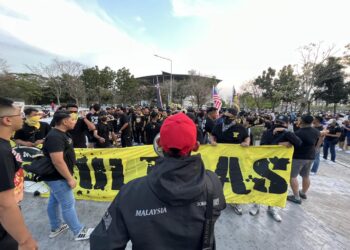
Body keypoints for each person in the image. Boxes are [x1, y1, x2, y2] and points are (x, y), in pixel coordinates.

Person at [90, 112, 226, 250]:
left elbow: (102, 244)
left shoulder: (130, 192)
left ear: (159, 144)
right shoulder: (213, 183)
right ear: (196, 146)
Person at [41, 111, 94, 241]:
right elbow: (57, 161)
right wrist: (69, 178)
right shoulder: (55, 137)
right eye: (72, 120)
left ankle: (56, 226)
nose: (74, 122)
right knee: (68, 204)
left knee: (54, 201)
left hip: (56, 177)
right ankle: (78, 231)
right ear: (64, 121)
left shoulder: (62, 134)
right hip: (57, 177)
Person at [0, 97, 38, 250]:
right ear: (7, 120)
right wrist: (25, 240)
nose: (23, 117)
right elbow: (4, 204)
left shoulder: (6, 145)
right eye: (19, 114)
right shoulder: (2, 152)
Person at [249, 114, 302, 222]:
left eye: (282, 123)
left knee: (275, 187)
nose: (278, 124)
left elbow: (299, 143)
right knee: (259, 184)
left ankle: (272, 208)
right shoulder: (267, 132)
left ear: (287, 124)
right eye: (277, 122)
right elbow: (264, 145)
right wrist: (279, 144)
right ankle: (256, 205)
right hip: (265, 163)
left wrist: (286, 131)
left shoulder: (288, 134)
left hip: (279, 166)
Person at [211, 108, 250, 215]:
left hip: (235, 159)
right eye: (224, 116)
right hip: (221, 157)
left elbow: (247, 137)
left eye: (228, 116)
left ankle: (236, 202)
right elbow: (213, 135)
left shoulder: (240, 128)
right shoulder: (218, 126)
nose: (225, 118)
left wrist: (246, 143)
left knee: (236, 178)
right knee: (219, 177)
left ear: (234, 117)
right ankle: (216, 199)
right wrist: (212, 140)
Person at [287, 115, 321, 204]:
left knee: (292, 176)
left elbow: (289, 144)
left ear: (302, 121)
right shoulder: (316, 131)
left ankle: (296, 197)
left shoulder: (298, 133)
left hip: (298, 157)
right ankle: (303, 193)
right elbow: (322, 136)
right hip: (310, 156)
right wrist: (317, 147)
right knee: (306, 176)